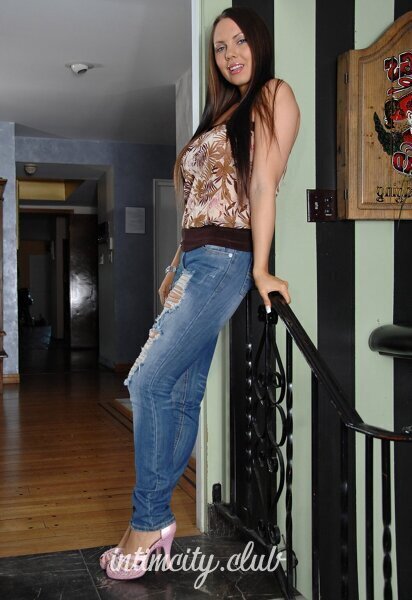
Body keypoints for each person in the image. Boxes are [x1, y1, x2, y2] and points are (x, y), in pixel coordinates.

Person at [102, 6, 300, 580]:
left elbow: (262, 184)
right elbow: (199, 203)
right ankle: (156, 520)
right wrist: (174, 265)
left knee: (145, 381)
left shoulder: (274, 95)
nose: (230, 54)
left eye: (240, 41)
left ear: (259, 43)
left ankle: (147, 522)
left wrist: (261, 269)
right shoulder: (220, 113)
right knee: (183, 393)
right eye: (220, 47)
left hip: (226, 261)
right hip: (195, 260)